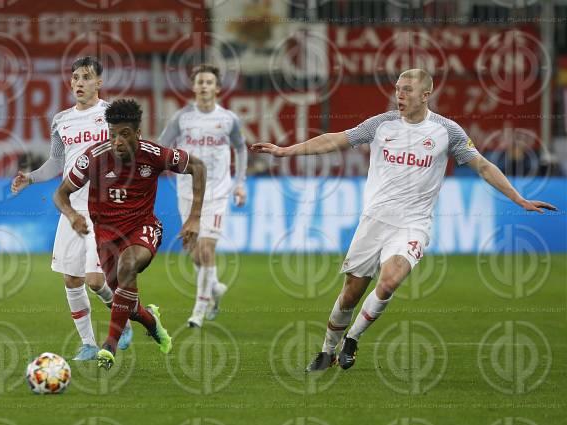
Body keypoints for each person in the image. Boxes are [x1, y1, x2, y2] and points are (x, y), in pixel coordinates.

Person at [251, 68, 557, 372]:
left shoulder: (447, 131)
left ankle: (352, 340)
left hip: (413, 224)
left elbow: (484, 166)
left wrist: (519, 198)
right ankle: (327, 350)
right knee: (350, 295)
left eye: (407, 89)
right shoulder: (381, 125)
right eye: (398, 88)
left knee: (391, 280)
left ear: (426, 95)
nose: (400, 94)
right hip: (374, 221)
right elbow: (333, 140)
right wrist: (285, 151)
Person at [53, 99, 206, 370]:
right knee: (128, 305)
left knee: (128, 265)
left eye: (124, 134)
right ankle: (151, 322)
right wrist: (73, 216)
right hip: (107, 238)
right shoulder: (93, 157)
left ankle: (108, 345)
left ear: (137, 133)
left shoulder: (154, 154)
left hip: (144, 227)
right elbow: (61, 194)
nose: (117, 141)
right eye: (112, 135)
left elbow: (198, 167)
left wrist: (194, 218)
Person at [11, 56, 133, 360]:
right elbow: (56, 162)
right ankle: (89, 344)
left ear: (99, 83)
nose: (79, 82)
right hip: (71, 208)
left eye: (86, 77)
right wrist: (30, 177)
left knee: (95, 280)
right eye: (75, 77)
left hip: (105, 209)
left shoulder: (110, 115)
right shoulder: (61, 120)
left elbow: (130, 151)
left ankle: (125, 320)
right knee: (71, 279)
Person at [158, 63, 248, 328]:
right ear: (194, 86)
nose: (205, 86)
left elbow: (241, 150)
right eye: (200, 82)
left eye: (209, 82)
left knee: (207, 249)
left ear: (217, 88)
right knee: (196, 253)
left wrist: (240, 183)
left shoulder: (230, 119)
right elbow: (162, 147)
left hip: (218, 193)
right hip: (187, 192)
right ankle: (215, 289)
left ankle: (198, 310)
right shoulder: (181, 119)